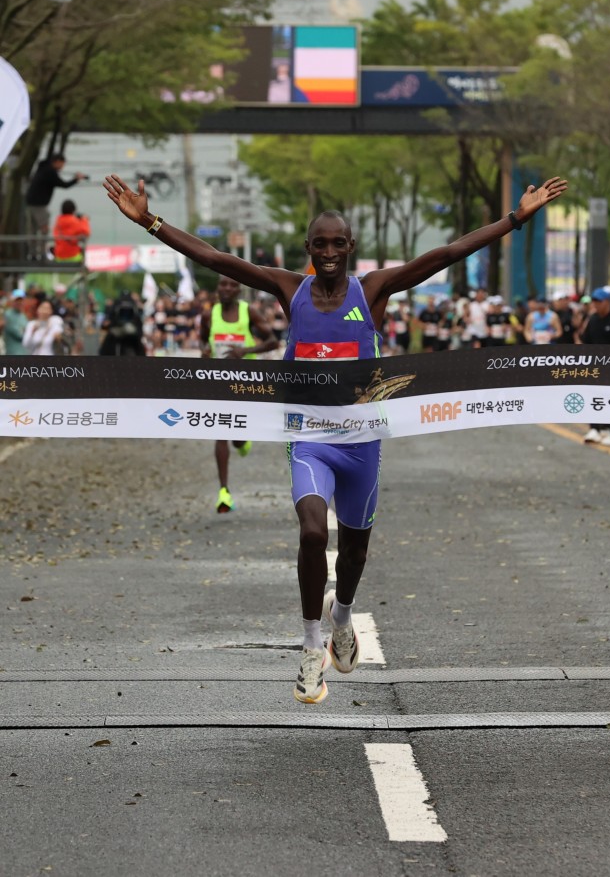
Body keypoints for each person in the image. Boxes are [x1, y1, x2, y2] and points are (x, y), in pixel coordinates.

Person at [103, 170, 568, 704]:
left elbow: (447, 253)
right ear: (308, 249)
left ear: (351, 247)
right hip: (309, 439)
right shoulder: (288, 288)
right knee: (311, 534)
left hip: (362, 445)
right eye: (319, 243)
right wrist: (151, 222)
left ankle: (342, 615)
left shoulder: (373, 290)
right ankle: (308, 646)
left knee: (355, 551)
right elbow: (216, 260)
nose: (328, 251)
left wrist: (516, 218)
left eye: (337, 243)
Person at [200, 275, 278, 513]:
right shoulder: (208, 315)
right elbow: (204, 340)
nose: (226, 288)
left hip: (245, 382)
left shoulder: (249, 312)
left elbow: (273, 341)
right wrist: (205, 351)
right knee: (221, 432)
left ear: (239, 290)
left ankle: (243, 440)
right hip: (218, 380)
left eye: (232, 285)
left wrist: (246, 350)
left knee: (237, 436)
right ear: (217, 288)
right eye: (223, 284)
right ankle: (224, 493)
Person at [580, 287, 610, 446]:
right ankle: (595, 428)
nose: (596, 304)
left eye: (599, 301)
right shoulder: (593, 320)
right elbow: (586, 340)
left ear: (607, 302)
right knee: (594, 397)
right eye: (594, 301)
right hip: (595, 366)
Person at [25, 153, 86, 259]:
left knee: (32, 230)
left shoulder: (43, 168)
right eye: (62, 164)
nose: (62, 167)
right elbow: (64, 184)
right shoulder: (50, 172)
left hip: (30, 202)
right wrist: (76, 179)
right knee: (43, 229)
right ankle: (42, 254)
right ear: (57, 162)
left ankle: (33, 253)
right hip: (39, 204)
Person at [2, 289, 28, 354]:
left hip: (24, 351)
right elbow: (19, 335)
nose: (19, 302)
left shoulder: (23, 315)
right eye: (17, 300)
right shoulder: (8, 314)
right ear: (12, 301)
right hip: (13, 352)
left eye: (21, 300)